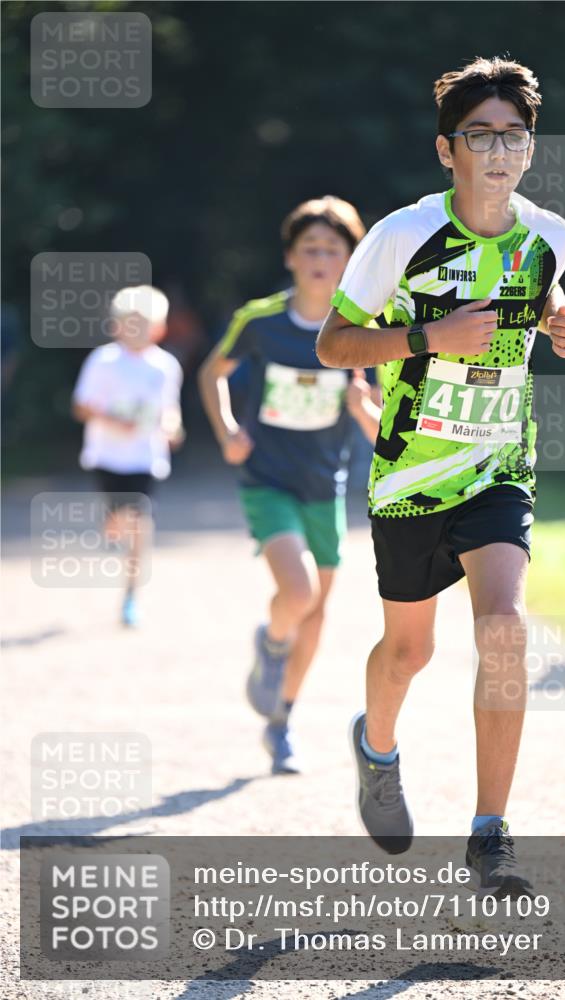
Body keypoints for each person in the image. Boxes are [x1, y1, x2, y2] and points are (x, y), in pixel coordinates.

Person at [317, 57, 565, 894]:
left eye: (513, 136)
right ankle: (377, 749)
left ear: (529, 148)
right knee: (408, 651)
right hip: (409, 475)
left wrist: (560, 322)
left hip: (499, 464)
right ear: (447, 150)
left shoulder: (549, 234)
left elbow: (539, 292)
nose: (499, 152)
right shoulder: (400, 236)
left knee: (503, 630)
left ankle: (488, 835)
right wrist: (428, 338)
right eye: (481, 137)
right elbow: (333, 344)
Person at [199, 196, 381, 775]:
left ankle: (281, 720)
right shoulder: (261, 320)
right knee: (297, 593)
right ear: (290, 257)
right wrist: (228, 430)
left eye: (332, 249)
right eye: (310, 248)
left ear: (350, 259)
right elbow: (212, 373)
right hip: (268, 480)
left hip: (324, 485)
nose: (320, 259)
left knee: (318, 612)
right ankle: (273, 642)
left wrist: (362, 408)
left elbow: (382, 426)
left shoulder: (366, 330)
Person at [72, 285, 184, 626]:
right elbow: (81, 407)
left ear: (159, 328)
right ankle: (112, 523)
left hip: (145, 458)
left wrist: (172, 427)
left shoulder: (165, 366)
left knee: (140, 521)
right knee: (118, 520)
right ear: (116, 325)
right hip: (106, 457)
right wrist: (113, 419)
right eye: (129, 322)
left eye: (144, 323)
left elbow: (170, 409)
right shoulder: (103, 361)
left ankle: (131, 596)